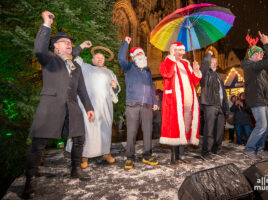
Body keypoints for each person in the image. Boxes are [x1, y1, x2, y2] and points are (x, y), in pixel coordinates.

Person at [21, 11, 95, 199]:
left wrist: (89, 108)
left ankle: (75, 169)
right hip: (50, 106)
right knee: (38, 145)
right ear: (55, 48)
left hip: (71, 107)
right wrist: (46, 24)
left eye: (70, 42)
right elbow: (39, 49)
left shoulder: (75, 66)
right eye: (64, 42)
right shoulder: (51, 61)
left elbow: (82, 90)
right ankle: (29, 181)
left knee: (79, 138)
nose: (69, 44)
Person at [66, 52, 120, 168]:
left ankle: (106, 153)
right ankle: (84, 156)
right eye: (97, 57)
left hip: (105, 107)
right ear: (93, 59)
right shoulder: (85, 67)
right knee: (87, 130)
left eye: (102, 58)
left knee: (105, 130)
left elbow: (116, 90)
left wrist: (115, 86)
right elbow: (72, 54)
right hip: (88, 106)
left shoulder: (109, 72)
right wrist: (82, 46)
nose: (100, 59)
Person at [118, 36, 159, 170]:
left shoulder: (147, 70)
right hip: (132, 105)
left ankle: (147, 155)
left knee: (148, 131)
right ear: (134, 56)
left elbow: (150, 86)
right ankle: (130, 157)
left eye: (142, 54)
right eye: (138, 54)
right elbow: (121, 59)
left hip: (147, 105)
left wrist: (154, 101)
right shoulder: (128, 67)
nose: (141, 55)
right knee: (131, 132)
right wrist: (126, 43)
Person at [159, 42, 202, 167]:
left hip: (188, 102)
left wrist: (196, 71)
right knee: (175, 129)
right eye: (179, 51)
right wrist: (172, 59)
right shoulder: (167, 62)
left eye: (183, 51)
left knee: (185, 129)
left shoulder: (186, 64)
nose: (182, 53)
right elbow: (166, 73)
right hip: (175, 102)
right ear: (173, 51)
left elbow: (193, 81)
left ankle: (180, 157)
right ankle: (173, 158)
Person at [241, 31, 268, 159]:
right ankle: (249, 150)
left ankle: (259, 148)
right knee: (261, 125)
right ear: (252, 55)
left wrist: (267, 98)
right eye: (259, 52)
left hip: (261, 100)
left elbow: (264, 85)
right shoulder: (251, 66)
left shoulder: (259, 69)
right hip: (256, 100)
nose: (262, 54)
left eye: (263, 52)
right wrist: (266, 43)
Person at [200, 50, 229, 159]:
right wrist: (208, 54)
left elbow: (223, 92)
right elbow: (204, 65)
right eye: (212, 62)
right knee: (209, 129)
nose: (214, 64)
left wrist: (226, 107)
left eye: (215, 62)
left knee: (219, 130)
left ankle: (216, 149)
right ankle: (206, 152)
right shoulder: (205, 74)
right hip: (210, 104)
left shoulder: (218, 76)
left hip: (219, 106)